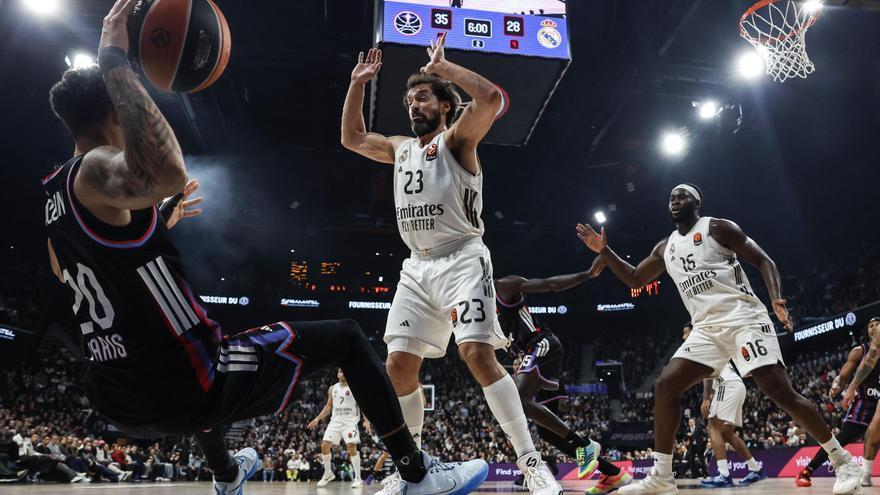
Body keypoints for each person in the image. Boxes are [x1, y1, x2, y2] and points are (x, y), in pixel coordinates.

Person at [43, 2, 489, 494]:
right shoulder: (101, 167)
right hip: (186, 388)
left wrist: (158, 222)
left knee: (200, 333)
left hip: (115, 397)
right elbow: (169, 172)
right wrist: (116, 63)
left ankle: (227, 474)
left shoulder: (58, 194)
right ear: (113, 106)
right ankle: (417, 473)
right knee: (344, 337)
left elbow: (74, 271)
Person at [341, 33, 560, 495]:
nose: (412, 105)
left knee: (476, 354)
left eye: (421, 97)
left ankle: (531, 462)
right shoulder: (400, 148)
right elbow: (352, 138)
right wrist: (359, 84)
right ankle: (412, 468)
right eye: (407, 100)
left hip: (462, 258)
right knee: (398, 365)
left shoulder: (458, 140)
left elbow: (494, 99)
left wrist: (444, 68)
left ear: (444, 106)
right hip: (417, 267)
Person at [576, 183, 862, 494]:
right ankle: (661, 477)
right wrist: (605, 251)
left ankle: (843, 460)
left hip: (743, 318)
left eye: (681, 196)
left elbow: (764, 261)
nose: (674, 201)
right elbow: (635, 278)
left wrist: (776, 298)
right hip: (706, 328)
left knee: (778, 391)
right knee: (665, 385)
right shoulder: (665, 247)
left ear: (696, 202)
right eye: (671, 197)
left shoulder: (717, 228)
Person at [494, 268, 633, 494]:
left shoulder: (503, 286)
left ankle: (586, 446)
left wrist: (586, 275)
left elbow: (549, 283)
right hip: (529, 357)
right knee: (548, 433)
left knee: (518, 400)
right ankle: (612, 473)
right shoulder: (475, 311)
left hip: (541, 344)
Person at [680, 323, 766, 487]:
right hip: (735, 385)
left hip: (728, 386)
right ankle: (755, 469)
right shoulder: (709, 343)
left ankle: (724, 475)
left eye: (685, 333)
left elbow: (707, 373)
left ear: (694, 332)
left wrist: (706, 399)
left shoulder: (701, 345)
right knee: (726, 434)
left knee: (713, 427)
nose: (683, 337)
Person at [839, 317, 880, 488]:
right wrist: (852, 388)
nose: (875, 328)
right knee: (877, 423)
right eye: (872, 326)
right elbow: (869, 360)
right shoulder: (876, 338)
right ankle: (866, 474)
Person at [308, 369, 367, 488]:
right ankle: (328, 473)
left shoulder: (355, 386)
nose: (343, 373)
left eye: (345, 371)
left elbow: (363, 404)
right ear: (338, 374)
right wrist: (317, 419)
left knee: (351, 447)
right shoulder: (332, 388)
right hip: (335, 421)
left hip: (350, 422)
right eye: (340, 371)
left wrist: (366, 420)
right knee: (324, 445)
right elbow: (328, 406)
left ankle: (358, 478)